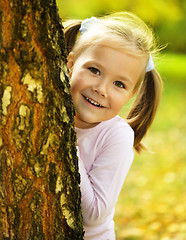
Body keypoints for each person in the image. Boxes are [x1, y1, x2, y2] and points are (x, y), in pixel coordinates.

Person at [63, 12, 163, 239]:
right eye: (94, 70)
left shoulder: (117, 136)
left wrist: (67, 144)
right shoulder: (45, 109)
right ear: (70, 64)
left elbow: (94, 215)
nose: (102, 89)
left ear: (131, 95)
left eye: (119, 84)